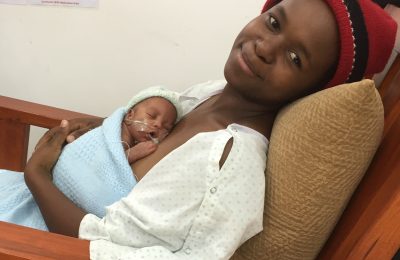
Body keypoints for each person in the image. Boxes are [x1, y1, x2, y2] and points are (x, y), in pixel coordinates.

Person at [21, 0, 397, 259]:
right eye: (274, 23)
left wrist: (37, 173)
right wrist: (111, 127)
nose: (266, 47)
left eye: (296, 58)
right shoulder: (214, 94)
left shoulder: (226, 163)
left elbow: (104, 247)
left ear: (313, 90)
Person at [0, 87, 182, 230]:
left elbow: (111, 173)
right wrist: (133, 154)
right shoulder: (115, 133)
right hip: (53, 182)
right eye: (151, 116)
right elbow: (103, 160)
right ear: (129, 115)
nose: (157, 124)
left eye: (166, 127)